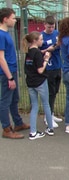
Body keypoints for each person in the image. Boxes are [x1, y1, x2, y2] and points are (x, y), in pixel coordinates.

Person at [0, 8, 30, 139]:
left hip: (12, 70)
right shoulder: (1, 35)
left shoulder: (6, 34)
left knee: (15, 98)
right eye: (12, 17)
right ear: (5, 19)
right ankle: (6, 128)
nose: (14, 20)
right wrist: (9, 77)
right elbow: (1, 58)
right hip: (7, 73)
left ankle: (18, 123)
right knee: (5, 101)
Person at [22, 31, 54, 140]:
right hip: (40, 81)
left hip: (30, 82)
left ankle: (33, 132)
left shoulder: (28, 52)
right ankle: (50, 128)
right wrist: (46, 59)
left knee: (34, 106)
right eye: (41, 39)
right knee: (46, 104)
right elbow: (40, 70)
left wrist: (43, 53)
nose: (42, 41)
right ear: (35, 41)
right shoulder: (37, 54)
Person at [40, 15, 62, 128]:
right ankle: (47, 117)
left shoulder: (57, 34)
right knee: (50, 92)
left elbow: (60, 45)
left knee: (56, 91)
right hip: (48, 68)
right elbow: (38, 51)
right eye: (49, 27)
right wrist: (46, 50)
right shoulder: (41, 36)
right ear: (45, 25)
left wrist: (55, 46)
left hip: (58, 66)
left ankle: (51, 113)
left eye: (52, 27)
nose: (51, 29)